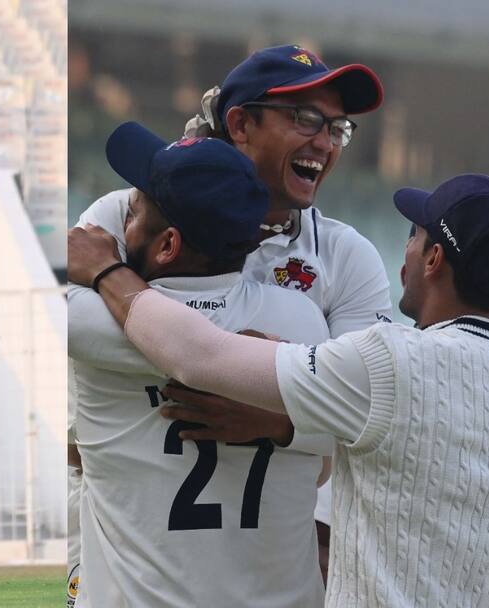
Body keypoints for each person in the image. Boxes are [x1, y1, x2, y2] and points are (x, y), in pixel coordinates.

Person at [69, 173, 489, 607]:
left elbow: (198, 357)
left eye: (414, 236)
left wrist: (108, 273)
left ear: (433, 258)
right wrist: (288, 425)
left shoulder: (389, 361)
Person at [69, 43, 390, 591]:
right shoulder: (125, 212)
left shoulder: (347, 256)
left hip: (269, 548)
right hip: (132, 537)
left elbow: (376, 416)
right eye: (306, 119)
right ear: (240, 123)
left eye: (337, 128)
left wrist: (282, 421)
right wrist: (290, 391)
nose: (325, 142)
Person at [70, 122, 331, 607]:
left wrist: (107, 268)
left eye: (134, 211)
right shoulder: (301, 322)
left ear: (168, 246)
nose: (121, 223)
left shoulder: (84, 322)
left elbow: (81, 245)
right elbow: (322, 467)